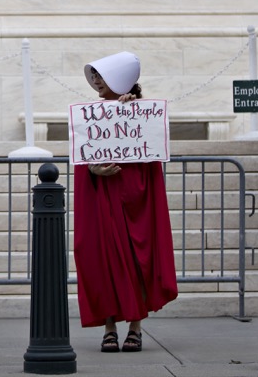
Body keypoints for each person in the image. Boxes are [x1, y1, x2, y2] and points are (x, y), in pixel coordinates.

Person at [72, 51, 178, 353]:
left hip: (134, 197)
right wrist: (92, 169)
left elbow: (149, 154)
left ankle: (135, 326)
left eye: (101, 76)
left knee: (137, 260)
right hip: (101, 198)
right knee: (102, 260)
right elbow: (83, 156)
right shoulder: (89, 114)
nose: (95, 81)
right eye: (94, 76)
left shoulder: (140, 111)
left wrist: (133, 114)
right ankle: (109, 327)